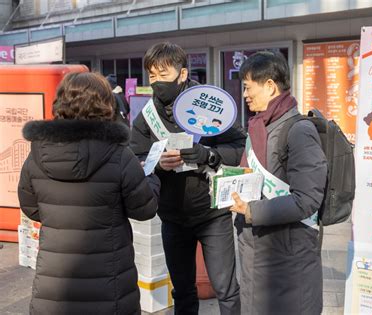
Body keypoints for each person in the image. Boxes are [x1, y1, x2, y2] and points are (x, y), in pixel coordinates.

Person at [17, 72, 160, 315]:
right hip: (109, 284)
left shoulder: (38, 153)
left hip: (55, 287)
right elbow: (144, 209)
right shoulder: (119, 154)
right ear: (105, 105)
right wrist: (152, 177)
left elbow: (30, 207)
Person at [130, 42, 244, 315]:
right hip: (172, 216)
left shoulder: (211, 106)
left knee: (226, 288)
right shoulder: (147, 117)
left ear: (182, 75)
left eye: (163, 75)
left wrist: (208, 154)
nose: (157, 83)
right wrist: (156, 163)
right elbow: (134, 159)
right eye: (152, 76)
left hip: (212, 213)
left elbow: (240, 148)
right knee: (181, 289)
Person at [229, 51, 328, 314]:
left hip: (288, 252)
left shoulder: (299, 131)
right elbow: (248, 173)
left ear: (270, 86)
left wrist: (252, 211)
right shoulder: (258, 127)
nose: (245, 94)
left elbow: (307, 199)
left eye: (248, 87)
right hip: (258, 246)